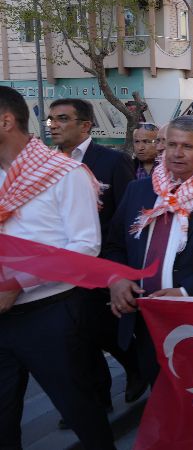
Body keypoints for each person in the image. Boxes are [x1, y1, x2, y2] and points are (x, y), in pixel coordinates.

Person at [0, 87, 115, 449]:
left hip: (50, 315)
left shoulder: (64, 173)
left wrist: (18, 282)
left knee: (82, 412)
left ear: (5, 121)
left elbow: (85, 246)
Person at [106, 116, 193, 396]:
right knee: (163, 395)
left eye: (187, 146)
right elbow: (115, 245)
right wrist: (118, 279)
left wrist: (183, 293)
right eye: (171, 144)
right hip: (148, 317)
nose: (176, 153)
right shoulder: (139, 190)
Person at [48, 98, 143, 411]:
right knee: (76, 337)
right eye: (51, 119)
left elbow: (129, 216)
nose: (54, 125)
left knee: (103, 329)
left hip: (103, 265)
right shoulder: (46, 166)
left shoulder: (112, 161)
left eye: (63, 119)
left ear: (85, 125)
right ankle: (97, 400)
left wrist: (121, 267)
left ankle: (135, 367)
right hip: (60, 267)